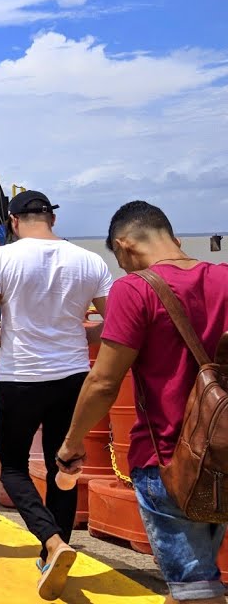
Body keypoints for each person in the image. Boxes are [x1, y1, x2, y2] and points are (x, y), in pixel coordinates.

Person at [58, 201, 228, 604]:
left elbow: (103, 382)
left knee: (196, 590)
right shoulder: (224, 278)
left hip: (167, 459)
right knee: (195, 581)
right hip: (223, 453)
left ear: (124, 245)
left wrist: (73, 442)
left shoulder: (134, 289)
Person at [0, 189, 112, 600]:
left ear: (13, 222)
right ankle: (54, 549)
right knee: (63, 463)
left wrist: (7, 337)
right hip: (73, 376)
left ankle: (52, 542)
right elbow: (115, 321)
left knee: (10, 465)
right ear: (51, 218)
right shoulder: (89, 260)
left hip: (20, 376)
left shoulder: (1, 257)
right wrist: (85, 336)